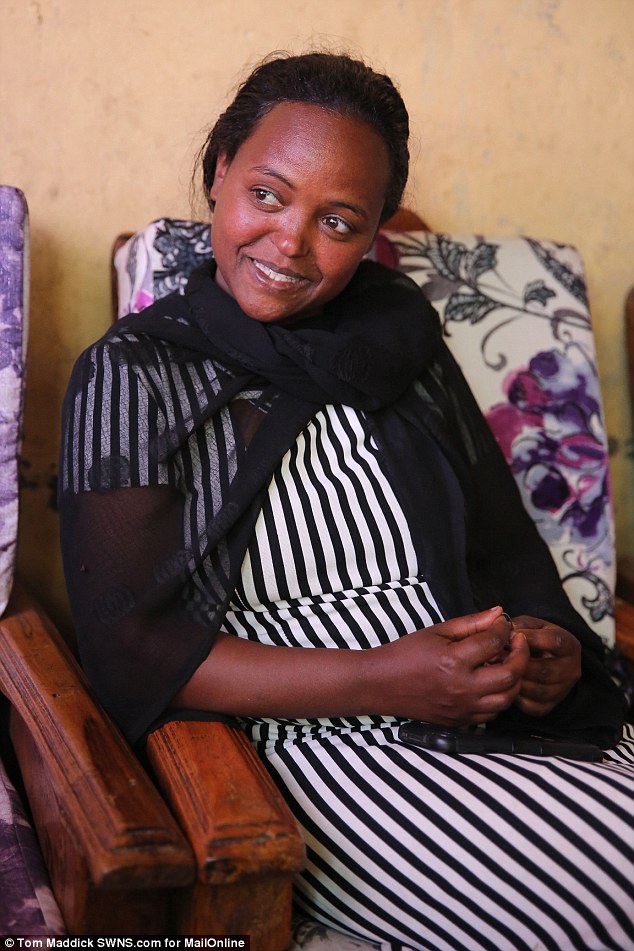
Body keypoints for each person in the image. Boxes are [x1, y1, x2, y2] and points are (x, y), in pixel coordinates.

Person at [59, 51, 634, 951]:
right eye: (267, 194)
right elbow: (132, 649)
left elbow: (507, 548)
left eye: (336, 221)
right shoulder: (134, 376)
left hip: (494, 710)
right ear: (220, 173)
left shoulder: (401, 341)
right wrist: (382, 678)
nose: (290, 242)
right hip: (325, 751)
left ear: (370, 236)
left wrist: (544, 646)